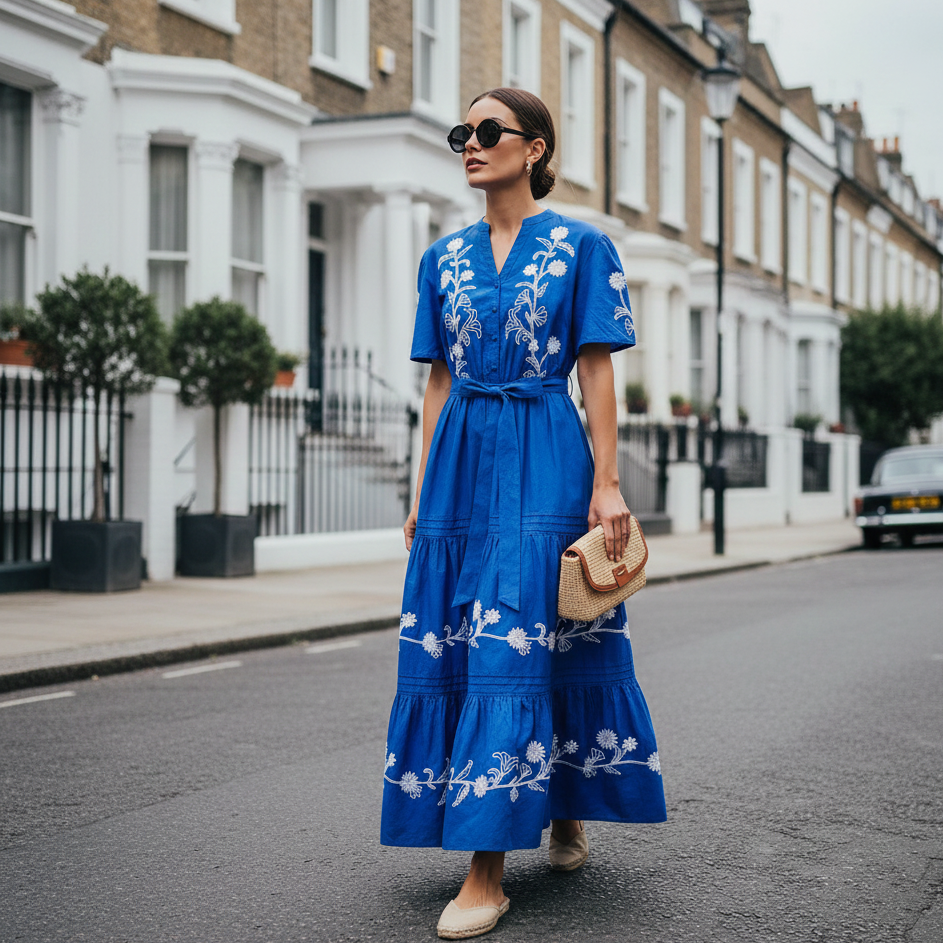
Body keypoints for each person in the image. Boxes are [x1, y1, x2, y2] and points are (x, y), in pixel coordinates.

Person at [381, 87, 666, 940]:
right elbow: (437, 380)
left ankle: (487, 870)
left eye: (487, 130)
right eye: (461, 133)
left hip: (545, 451)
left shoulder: (582, 245)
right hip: (462, 459)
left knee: (531, 632)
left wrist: (607, 483)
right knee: (477, 640)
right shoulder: (441, 258)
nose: (469, 143)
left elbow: (596, 368)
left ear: (533, 148)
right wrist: (421, 491)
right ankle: (553, 808)